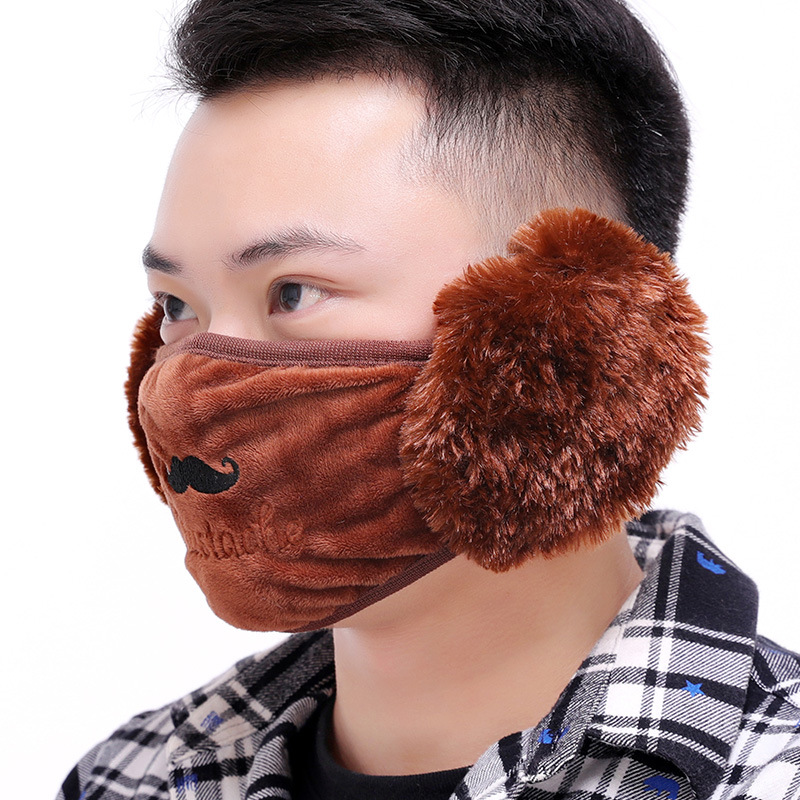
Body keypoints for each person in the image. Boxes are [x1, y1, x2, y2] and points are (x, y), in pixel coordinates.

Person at [57, 1, 800, 798]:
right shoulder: (124, 779)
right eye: (175, 306)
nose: (184, 394)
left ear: (574, 339)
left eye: (293, 291)